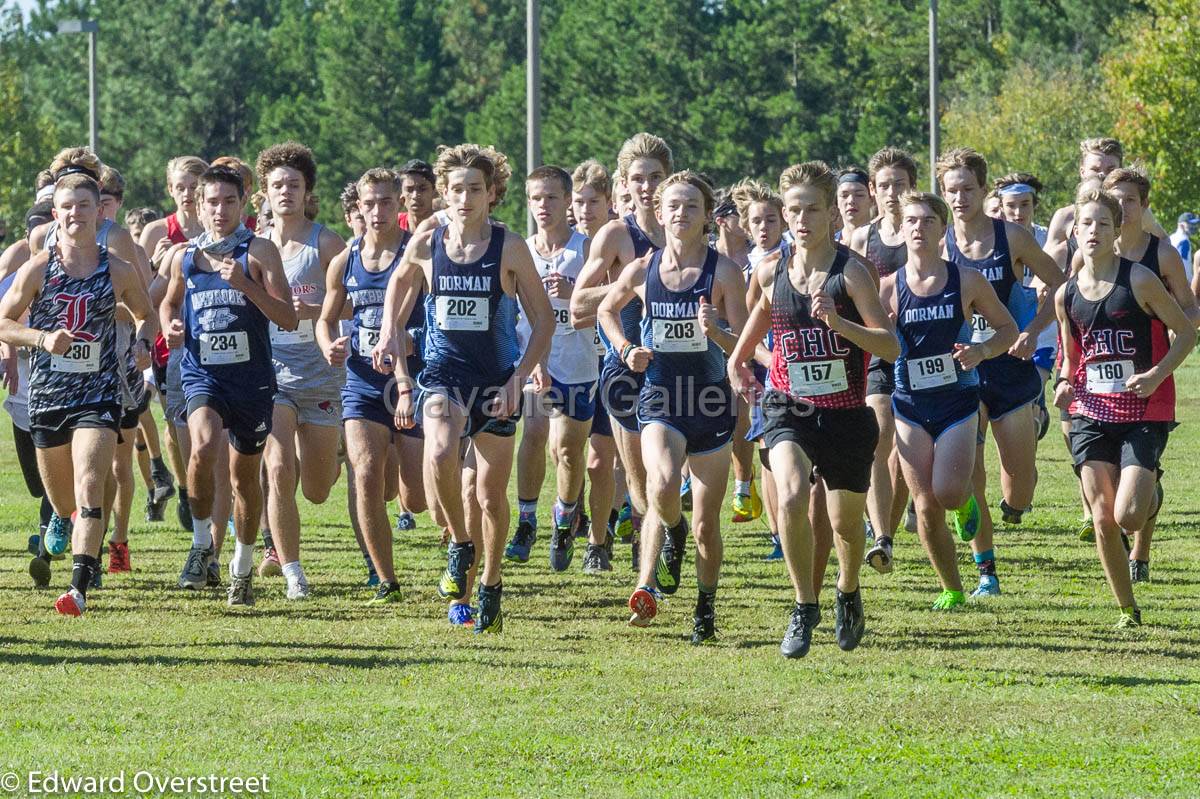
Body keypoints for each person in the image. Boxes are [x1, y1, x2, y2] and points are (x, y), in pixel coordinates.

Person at [378, 143, 553, 634]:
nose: (464, 198)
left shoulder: (509, 246)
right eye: (456, 189)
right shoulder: (427, 241)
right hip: (442, 375)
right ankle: (459, 543)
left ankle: (491, 583)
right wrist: (392, 335)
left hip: (497, 382)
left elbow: (543, 323)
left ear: (491, 193)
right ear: (444, 194)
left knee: (490, 497)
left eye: (475, 189)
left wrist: (519, 380)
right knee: (437, 454)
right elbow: (400, 284)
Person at [729, 161, 899, 658]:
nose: (801, 220)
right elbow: (761, 319)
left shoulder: (853, 273)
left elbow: (889, 346)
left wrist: (840, 326)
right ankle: (804, 606)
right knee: (788, 498)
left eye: (812, 210)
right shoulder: (770, 271)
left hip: (846, 413)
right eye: (794, 210)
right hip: (789, 406)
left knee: (846, 523)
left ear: (831, 215)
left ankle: (847, 591)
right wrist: (739, 362)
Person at [599, 170, 748, 644]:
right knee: (661, 485)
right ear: (658, 214)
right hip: (660, 396)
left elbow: (744, 342)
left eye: (691, 206)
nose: (680, 213)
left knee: (708, 522)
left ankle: (705, 607)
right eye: (673, 206)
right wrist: (624, 348)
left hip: (710, 400)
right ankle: (671, 528)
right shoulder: (644, 269)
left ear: (706, 217)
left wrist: (716, 331)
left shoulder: (723, 272)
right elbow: (606, 309)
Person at [0, 172, 157, 615]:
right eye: (67, 207)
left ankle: (79, 586)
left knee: (92, 480)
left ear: (99, 211)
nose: (75, 214)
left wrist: (144, 343)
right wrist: (41, 339)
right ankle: (61, 520)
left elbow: (147, 314)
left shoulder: (118, 268)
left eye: (84, 206)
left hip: (99, 391)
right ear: (56, 214)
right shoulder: (38, 267)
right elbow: (5, 321)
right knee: (65, 501)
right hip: (48, 395)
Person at [1055, 187, 1193, 628]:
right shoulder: (1066, 295)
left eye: (1103, 224)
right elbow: (1071, 357)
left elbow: (1187, 334)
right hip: (1090, 411)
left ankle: (1149, 495)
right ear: (1075, 231)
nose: (1093, 231)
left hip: (1143, 408)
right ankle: (1127, 609)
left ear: (1117, 232)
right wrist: (1061, 382)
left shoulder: (1139, 280)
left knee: (1128, 515)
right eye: (1086, 223)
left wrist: (1155, 375)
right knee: (1101, 516)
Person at [160, 165, 297, 606]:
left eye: (229, 202)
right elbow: (168, 303)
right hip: (203, 375)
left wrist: (245, 285)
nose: (219, 211)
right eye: (211, 202)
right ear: (198, 206)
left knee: (244, 478)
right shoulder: (185, 256)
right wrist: (172, 327)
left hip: (251, 381)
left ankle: (241, 566)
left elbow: (288, 317)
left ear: (242, 205)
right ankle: (202, 545)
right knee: (200, 447)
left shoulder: (259, 251)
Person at [939, 147, 1065, 599]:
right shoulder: (940, 243)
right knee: (970, 471)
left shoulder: (1012, 238)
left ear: (982, 190)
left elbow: (1060, 284)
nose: (958, 198)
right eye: (950, 191)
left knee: (1020, 482)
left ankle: (1015, 502)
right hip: (964, 370)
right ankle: (986, 572)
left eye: (966, 189)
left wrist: (1033, 329)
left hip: (1011, 365)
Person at [883, 191, 1018, 611]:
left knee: (949, 493)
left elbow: (1007, 331)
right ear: (901, 229)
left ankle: (967, 504)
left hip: (958, 399)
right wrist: (882, 334)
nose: (919, 228)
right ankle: (953, 588)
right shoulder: (888, 287)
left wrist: (980, 352)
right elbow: (875, 346)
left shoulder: (966, 280)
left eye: (927, 221)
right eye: (911, 221)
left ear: (943, 230)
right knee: (924, 505)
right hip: (909, 403)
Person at [570, 133, 671, 577]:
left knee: (669, 475)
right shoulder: (616, 234)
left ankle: (664, 539)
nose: (647, 187)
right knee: (640, 480)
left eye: (655, 177)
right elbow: (576, 308)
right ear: (624, 185)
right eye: (637, 179)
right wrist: (630, 285)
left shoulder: (687, 227)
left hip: (681, 371)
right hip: (626, 367)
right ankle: (646, 563)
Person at [1096, 167, 1200, 583]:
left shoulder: (1160, 254)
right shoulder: (1091, 247)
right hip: (1102, 383)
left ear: (1143, 206)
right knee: (1117, 476)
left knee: (1138, 486)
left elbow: (1190, 306)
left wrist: (1177, 324)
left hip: (1152, 378)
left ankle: (1140, 551)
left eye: (1131, 200)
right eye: (1115, 199)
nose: (1122, 207)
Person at [317, 168, 414, 605]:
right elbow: (324, 318)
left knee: (419, 493)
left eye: (385, 203)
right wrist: (329, 346)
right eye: (368, 204)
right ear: (357, 206)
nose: (377, 212)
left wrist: (413, 339)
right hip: (361, 381)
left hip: (414, 379)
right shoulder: (347, 259)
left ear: (400, 205)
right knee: (366, 473)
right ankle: (385, 578)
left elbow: (438, 318)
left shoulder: (418, 254)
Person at [254, 142, 347, 598]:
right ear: (265, 194)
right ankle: (292, 571)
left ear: (307, 190)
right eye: (277, 185)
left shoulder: (325, 242)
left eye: (294, 184)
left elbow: (356, 296)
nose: (285, 192)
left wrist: (316, 309)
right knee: (276, 465)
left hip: (320, 372)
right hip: (271, 372)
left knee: (316, 489)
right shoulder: (255, 245)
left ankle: (334, 459)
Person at [506, 165, 602, 570]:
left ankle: (565, 518)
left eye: (550, 198)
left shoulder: (587, 249)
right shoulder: (521, 250)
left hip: (579, 363)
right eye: (535, 198)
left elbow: (613, 308)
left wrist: (576, 294)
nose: (542, 206)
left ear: (567, 201)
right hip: (534, 360)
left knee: (568, 449)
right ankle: (527, 521)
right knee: (535, 432)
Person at [850, 147, 917, 574]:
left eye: (901, 184)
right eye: (885, 185)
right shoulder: (860, 238)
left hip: (924, 351)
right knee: (878, 439)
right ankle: (883, 537)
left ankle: (892, 525)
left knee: (908, 454)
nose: (893, 193)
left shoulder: (925, 230)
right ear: (872, 191)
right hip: (877, 351)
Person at [142, 155, 210, 536]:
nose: (186, 194)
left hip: (212, 340)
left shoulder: (222, 226)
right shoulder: (156, 230)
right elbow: (138, 288)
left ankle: (211, 494)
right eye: (179, 186)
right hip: (170, 344)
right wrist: (155, 261)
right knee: (176, 424)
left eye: (192, 186)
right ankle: (186, 488)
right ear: (170, 189)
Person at [569, 158, 628, 561]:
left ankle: (600, 538)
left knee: (604, 459)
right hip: (573, 366)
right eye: (580, 202)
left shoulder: (618, 243)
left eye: (594, 202)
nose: (585, 210)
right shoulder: (566, 246)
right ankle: (575, 517)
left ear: (609, 203)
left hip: (613, 361)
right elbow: (574, 311)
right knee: (578, 458)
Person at [731, 178, 789, 561]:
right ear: (746, 226)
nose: (764, 227)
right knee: (767, 452)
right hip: (762, 371)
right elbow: (748, 326)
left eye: (771, 219)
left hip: (797, 366)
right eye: (757, 221)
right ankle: (778, 536)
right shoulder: (741, 266)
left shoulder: (794, 256)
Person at [0, 199, 56, 586]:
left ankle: (50, 549)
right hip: (22, 394)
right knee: (36, 483)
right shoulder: (18, 277)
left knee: (56, 479)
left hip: (62, 391)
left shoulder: (72, 278)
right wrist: (10, 348)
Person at [713, 188, 761, 525]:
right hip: (709, 345)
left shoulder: (757, 257)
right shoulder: (707, 257)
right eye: (738, 214)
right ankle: (691, 478)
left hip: (752, 346)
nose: (745, 221)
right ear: (720, 221)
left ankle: (743, 488)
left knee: (742, 420)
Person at [834, 167, 872, 243]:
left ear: (871, 200)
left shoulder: (884, 241)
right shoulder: (829, 245)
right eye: (844, 195)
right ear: (836, 202)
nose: (851, 200)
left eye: (859, 195)